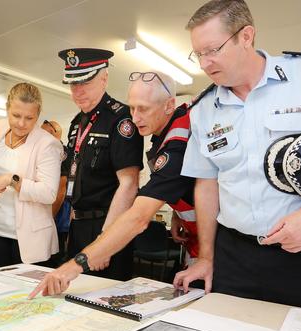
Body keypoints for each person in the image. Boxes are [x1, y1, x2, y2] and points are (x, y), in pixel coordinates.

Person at [173, 0, 301, 314]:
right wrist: (206, 258)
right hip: (236, 257)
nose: (204, 63)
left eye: (213, 50)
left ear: (246, 36)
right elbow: (207, 184)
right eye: (198, 54)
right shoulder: (204, 108)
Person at [30, 71, 199, 297]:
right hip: (195, 241)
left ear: (169, 105)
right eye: (133, 108)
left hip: (217, 247)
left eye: (144, 109)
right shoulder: (161, 135)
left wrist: (78, 262)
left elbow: (137, 214)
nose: (135, 117)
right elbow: (187, 182)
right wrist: (177, 208)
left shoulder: (177, 139)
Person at [59, 48, 145, 280]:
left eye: (85, 82)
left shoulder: (121, 119)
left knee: (107, 302)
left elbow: (128, 184)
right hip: (78, 225)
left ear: (104, 78)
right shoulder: (77, 123)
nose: (78, 91)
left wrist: (105, 241)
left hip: (108, 226)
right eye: (73, 84)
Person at [0, 83, 63, 268]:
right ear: (7, 109)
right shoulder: (0, 128)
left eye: (29, 118)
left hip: (28, 240)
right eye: (16, 115)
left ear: (38, 116)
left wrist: (11, 179)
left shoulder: (47, 144)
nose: (21, 123)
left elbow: (48, 193)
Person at [41, 119, 71, 262]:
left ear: (54, 133)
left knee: (51, 259)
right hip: (42, 215)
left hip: (57, 215)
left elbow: (61, 187)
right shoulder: (42, 150)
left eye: (42, 132)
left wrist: (50, 216)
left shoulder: (60, 151)